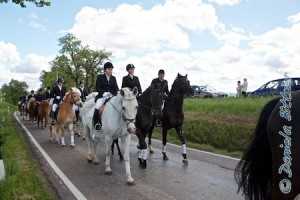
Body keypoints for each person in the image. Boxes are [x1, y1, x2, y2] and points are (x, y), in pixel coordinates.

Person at [93, 62, 119, 131]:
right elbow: (98, 87)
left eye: (111, 69)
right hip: (102, 97)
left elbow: (116, 88)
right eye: (109, 69)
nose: (110, 70)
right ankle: (96, 124)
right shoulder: (100, 77)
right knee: (97, 107)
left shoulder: (113, 78)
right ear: (105, 70)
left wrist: (112, 94)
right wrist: (104, 93)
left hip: (111, 97)